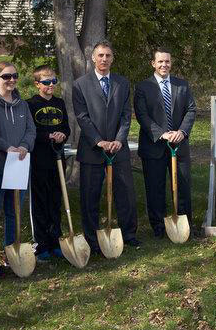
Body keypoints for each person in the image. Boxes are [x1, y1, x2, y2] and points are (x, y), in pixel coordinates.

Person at [72, 40, 139, 251]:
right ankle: (92, 239)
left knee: (125, 192)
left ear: (112, 58)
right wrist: (98, 141)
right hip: (92, 149)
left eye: (108, 56)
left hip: (118, 149)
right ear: (93, 58)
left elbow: (126, 116)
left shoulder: (122, 83)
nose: (104, 59)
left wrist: (119, 139)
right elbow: (82, 117)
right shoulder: (80, 84)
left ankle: (128, 234)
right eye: (100, 55)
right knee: (90, 195)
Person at [134, 47, 197, 238]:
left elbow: (191, 110)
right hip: (154, 146)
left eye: (167, 61)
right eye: (160, 61)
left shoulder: (182, 85)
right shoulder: (143, 87)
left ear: (171, 63)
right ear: (153, 63)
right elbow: (142, 115)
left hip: (179, 145)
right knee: (155, 188)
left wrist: (182, 132)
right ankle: (159, 227)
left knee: (183, 186)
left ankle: (185, 225)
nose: (164, 65)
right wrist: (162, 134)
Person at [0, 61, 35, 274]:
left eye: (14, 75)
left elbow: (31, 130)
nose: (12, 80)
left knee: (14, 213)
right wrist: (6, 146)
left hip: (17, 167)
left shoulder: (22, 104)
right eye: (6, 76)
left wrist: (23, 145)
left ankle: (13, 256)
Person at [26, 65, 70, 261]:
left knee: (55, 201)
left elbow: (66, 127)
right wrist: (47, 136)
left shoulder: (60, 103)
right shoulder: (30, 104)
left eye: (54, 81)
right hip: (39, 160)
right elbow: (31, 131)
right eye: (46, 82)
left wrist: (62, 135)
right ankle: (41, 244)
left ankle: (55, 240)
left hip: (58, 159)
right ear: (37, 84)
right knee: (40, 201)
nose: (51, 85)